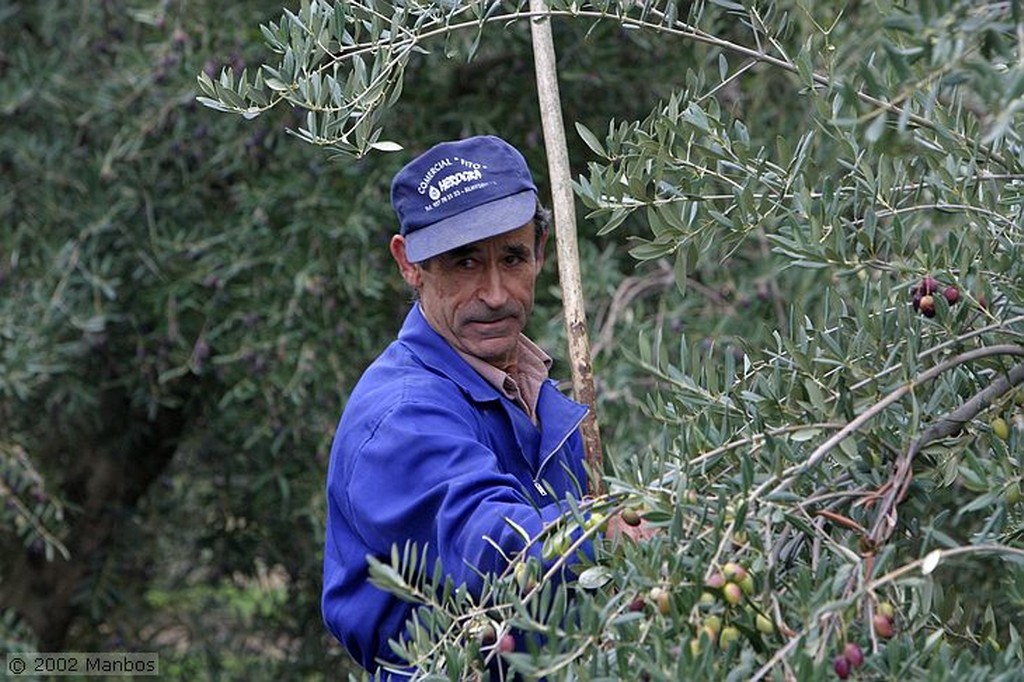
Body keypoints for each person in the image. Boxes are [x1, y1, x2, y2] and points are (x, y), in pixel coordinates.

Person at [321, 135, 645, 678]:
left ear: (542, 250)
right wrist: (603, 531)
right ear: (410, 263)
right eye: (464, 262)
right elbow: (487, 542)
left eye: (513, 257)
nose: (495, 293)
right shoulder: (399, 417)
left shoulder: (531, 389)